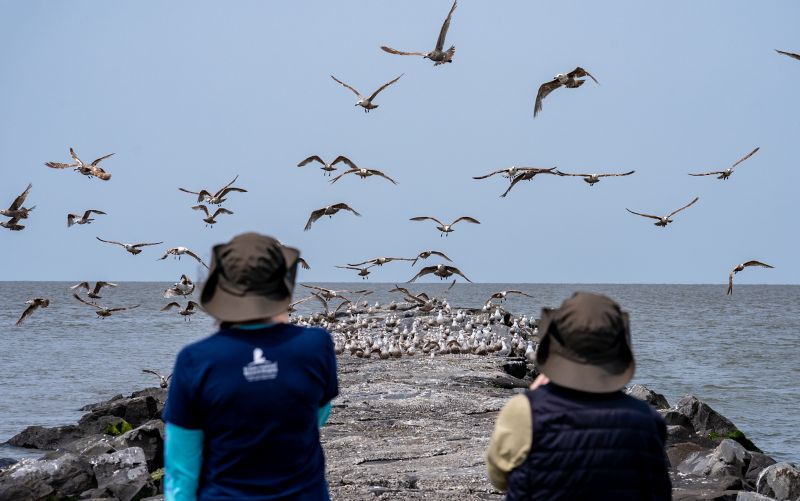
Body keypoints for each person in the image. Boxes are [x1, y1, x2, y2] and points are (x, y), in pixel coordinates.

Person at [163, 232, 338, 500]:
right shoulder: (315, 345)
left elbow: (181, 468)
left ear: (219, 292)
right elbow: (317, 415)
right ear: (283, 287)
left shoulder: (195, 359)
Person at [486, 292, 671, 500]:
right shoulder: (647, 419)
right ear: (618, 350)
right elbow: (659, 493)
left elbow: (499, 478)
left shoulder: (522, 412)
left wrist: (535, 398)